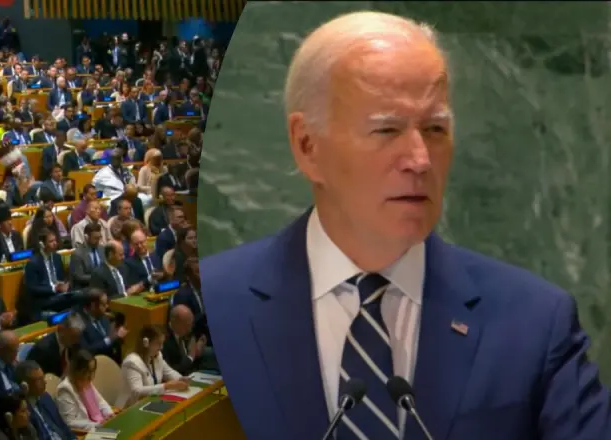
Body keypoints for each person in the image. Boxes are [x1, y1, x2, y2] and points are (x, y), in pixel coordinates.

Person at [199, 11, 611, 440]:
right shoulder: (217, 305)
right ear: (308, 146)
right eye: (387, 129)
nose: (420, 159)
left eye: (435, 129)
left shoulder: (535, 324)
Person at [115, 325, 188, 408]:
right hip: (129, 408)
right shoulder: (131, 362)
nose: (161, 347)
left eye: (162, 343)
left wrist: (180, 379)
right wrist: (166, 386)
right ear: (146, 343)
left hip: (150, 402)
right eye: (158, 343)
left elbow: (168, 372)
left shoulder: (157, 355)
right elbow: (137, 391)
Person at [55, 349, 115, 431]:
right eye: (87, 371)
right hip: (84, 433)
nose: (91, 376)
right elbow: (70, 422)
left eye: (92, 371)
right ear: (77, 371)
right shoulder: (65, 389)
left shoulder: (86, 381)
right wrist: (97, 425)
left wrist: (109, 414)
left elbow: (101, 403)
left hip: (98, 426)